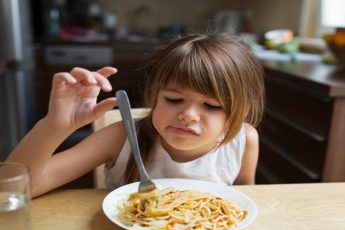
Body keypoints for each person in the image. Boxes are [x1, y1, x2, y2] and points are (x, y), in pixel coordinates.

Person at [6, 32, 265, 198]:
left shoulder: (244, 140)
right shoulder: (121, 137)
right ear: (154, 96)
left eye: (211, 105)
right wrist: (54, 126)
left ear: (238, 112)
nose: (188, 115)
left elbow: (244, 200)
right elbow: (10, 190)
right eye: (173, 99)